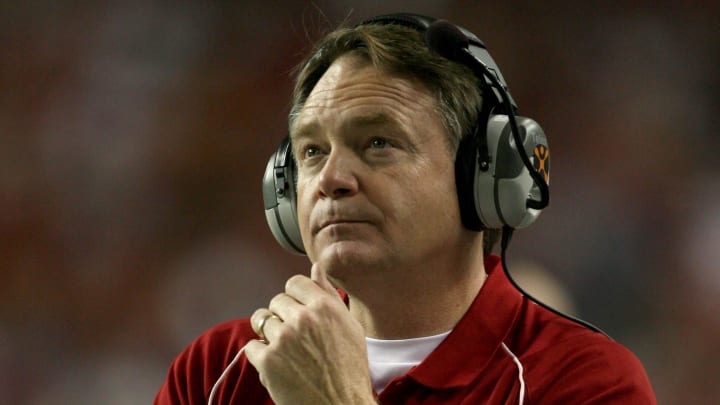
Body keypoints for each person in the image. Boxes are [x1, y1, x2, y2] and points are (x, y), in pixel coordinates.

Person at [154, 13, 656, 404]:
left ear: (484, 176)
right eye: (311, 151)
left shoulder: (585, 380)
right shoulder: (216, 369)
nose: (330, 179)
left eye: (378, 142)